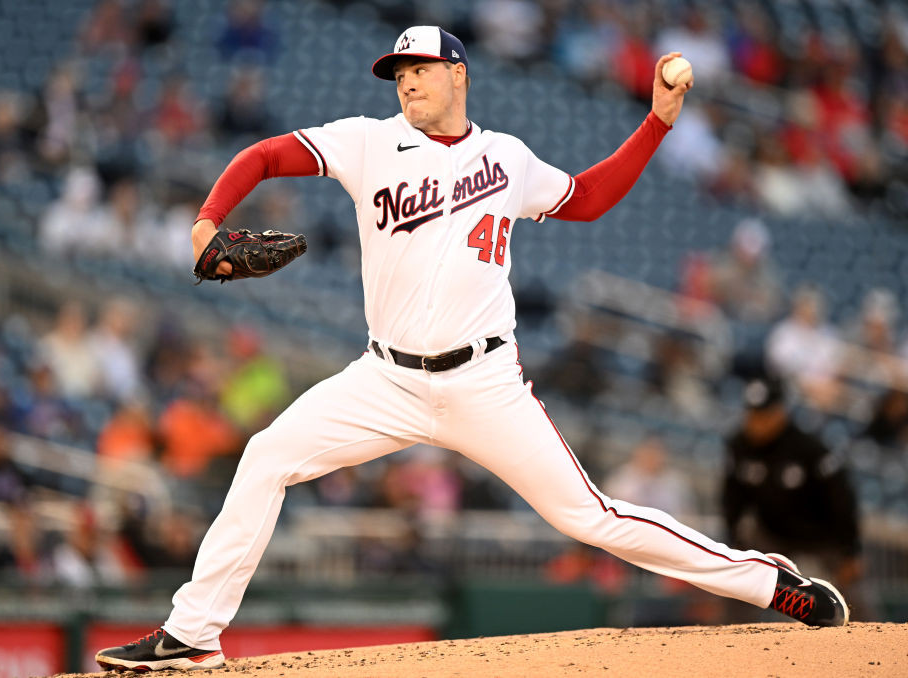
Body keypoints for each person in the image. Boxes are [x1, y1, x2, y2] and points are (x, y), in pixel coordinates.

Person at [96, 26, 848, 673]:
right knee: (266, 455)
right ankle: (193, 636)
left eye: (420, 70)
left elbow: (585, 198)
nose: (407, 84)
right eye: (399, 74)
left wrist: (655, 123)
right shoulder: (367, 142)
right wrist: (206, 222)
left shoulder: (508, 158)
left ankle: (768, 585)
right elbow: (264, 155)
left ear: (459, 74)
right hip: (384, 379)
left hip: (486, 382)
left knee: (590, 517)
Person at [722, 377, 864, 619]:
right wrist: (733, 539)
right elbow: (732, 496)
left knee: (853, 593)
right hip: (771, 532)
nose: (756, 422)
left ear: (780, 412)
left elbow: (842, 499)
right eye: (752, 414)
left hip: (820, 535)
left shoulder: (809, 447)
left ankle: (878, 633)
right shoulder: (739, 445)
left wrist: (851, 551)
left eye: (764, 415)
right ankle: (728, 634)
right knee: (733, 571)